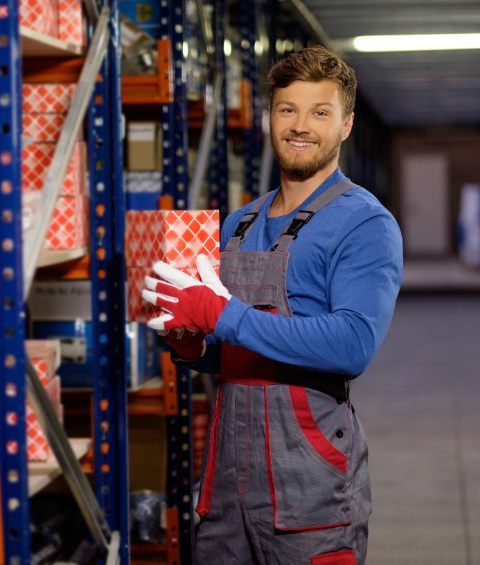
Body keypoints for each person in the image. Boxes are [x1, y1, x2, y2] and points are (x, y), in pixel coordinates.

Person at [142, 45, 403, 564]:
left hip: (309, 489)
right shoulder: (238, 224)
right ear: (270, 117)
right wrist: (193, 346)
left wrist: (223, 315)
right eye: (288, 109)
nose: (300, 125)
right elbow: (233, 349)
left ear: (346, 125)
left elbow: (353, 344)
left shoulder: (364, 224)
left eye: (319, 112)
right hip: (227, 488)